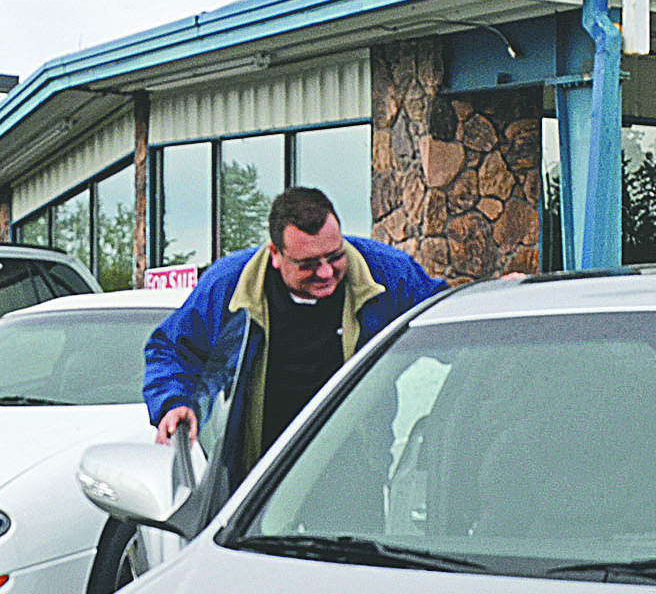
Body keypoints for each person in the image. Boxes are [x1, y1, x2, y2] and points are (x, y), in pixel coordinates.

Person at [142, 187, 445, 484]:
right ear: (276, 254)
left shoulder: (388, 275)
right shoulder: (231, 285)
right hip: (259, 484)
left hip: (358, 477)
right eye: (309, 264)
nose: (326, 273)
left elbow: (446, 323)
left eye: (335, 256)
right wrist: (174, 401)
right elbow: (173, 349)